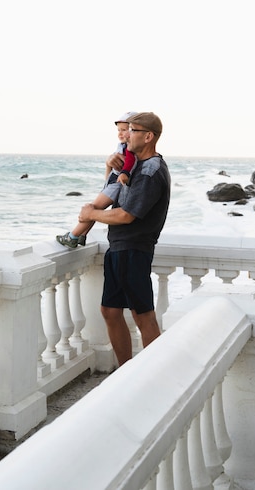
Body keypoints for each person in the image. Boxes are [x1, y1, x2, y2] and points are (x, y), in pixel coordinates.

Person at [77, 112, 170, 366]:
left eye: (132, 130)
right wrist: (110, 166)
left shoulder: (151, 170)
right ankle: (125, 370)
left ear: (148, 136)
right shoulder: (135, 165)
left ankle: (156, 374)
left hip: (134, 250)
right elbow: (114, 192)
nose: (125, 135)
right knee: (109, 311)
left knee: (143, 317)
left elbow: (127, 215)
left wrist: (91, 214)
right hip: (118, 248)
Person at [56, 112, 138, 249]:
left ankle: (72, 236)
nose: (120, 134)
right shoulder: (124, 146)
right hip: (113, 183)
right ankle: (82, 235)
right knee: (95, 210)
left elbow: (129, 162)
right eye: (119, 130)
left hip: (116, 184)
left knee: (92, 209)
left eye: (124, 130)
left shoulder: (130, 147)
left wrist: (124, 173)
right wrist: (109, 165)